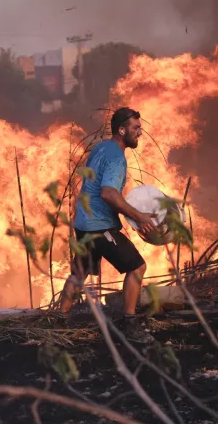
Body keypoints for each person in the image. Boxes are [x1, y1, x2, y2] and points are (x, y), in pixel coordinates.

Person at [59, 107, 156, 343]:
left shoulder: (102, 147)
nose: (140, 133)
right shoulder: (116, 156)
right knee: (137, 267)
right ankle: (129, 324)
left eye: (140, 128)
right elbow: (109, 194)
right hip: (98, 225)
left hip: (83, 221)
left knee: (79, 273)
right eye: (135, 128)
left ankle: (59, 319)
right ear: (122, 130)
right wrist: (140, 216)